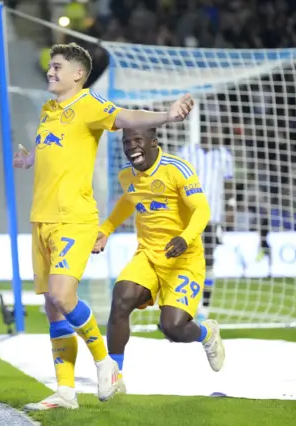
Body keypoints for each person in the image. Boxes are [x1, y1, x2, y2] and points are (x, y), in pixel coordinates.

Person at [13, 42, 194, 411]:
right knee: (52, 306)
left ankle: (105, 364)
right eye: (50, 66)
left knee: (64, 297)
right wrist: (30, 159)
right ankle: (65, 392)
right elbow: (54, 147)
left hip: (73, 218)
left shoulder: (89, 105)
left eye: (57, 66)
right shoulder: (49, 109)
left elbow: (129, 117)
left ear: (78, 74)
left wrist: (168, 115)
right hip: (41, 218)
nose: (50, 71)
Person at [93, 127, 226, 389]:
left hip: (184, 259)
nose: (131, 146)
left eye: (137, 140)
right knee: (121, 300)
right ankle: (114, 377)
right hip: (148, 255)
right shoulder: (126, 176)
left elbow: (202, 209)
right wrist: (105, 229)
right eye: (126, 141)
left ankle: (207, 333)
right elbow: (128, 201)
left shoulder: (178, 168)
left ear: (153, 142)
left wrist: (185, 238)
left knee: (173, 328)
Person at [177, 130, 235, 321]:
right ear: (202, 132)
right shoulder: (186, 152)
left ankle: (205, 308)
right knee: (186, 262)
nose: (215, 134)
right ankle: (184, 305)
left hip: (213, 217)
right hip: (190, 216)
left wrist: (230, 207)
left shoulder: (224, 156)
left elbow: (229, 184)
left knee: (209, 262)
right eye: (210, 129)